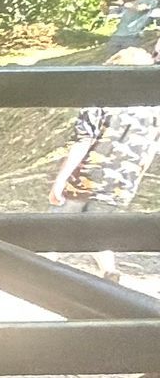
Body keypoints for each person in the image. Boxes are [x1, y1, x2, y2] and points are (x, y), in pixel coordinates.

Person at [48, 36, 160, 286]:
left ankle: (39, 268)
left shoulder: (100, 102)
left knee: (58, 224)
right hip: (123, 181)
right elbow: (152, 148)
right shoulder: (153, 109)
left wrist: (60, 180)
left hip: (86, 177)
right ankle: (109, 272)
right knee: (99, 229)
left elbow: (82, 142)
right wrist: (136, 178)